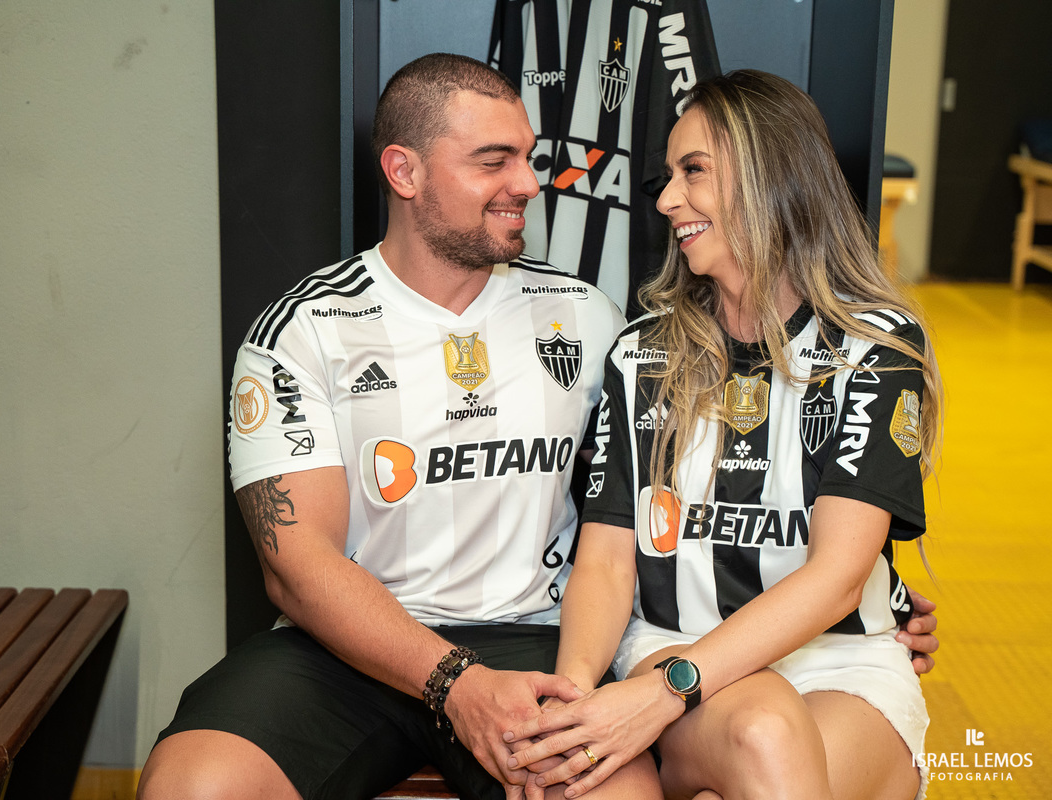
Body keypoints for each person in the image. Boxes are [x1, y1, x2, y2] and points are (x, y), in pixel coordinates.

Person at [139, 57, 939, 800]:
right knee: (191, 785)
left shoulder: (588, 320)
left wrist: (879, 592)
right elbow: (297, 567)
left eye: (528, 156)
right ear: (404, 171)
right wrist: (457, 680)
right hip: (349, 654)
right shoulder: (305, 329)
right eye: (494, 161)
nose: (530, 182)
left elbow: (738, 489)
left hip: (535, 643)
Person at [505, 69, 943, 800]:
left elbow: (837, 579)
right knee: (763, 731)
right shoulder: (641, 351)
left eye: (694, 171)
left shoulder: (875, 347)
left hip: (840, 665)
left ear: (772, 174)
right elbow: (608, 563)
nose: (668, 199)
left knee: (753, 760)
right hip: (669, 649)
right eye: (667, 177)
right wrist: (577, 695)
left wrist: (669, 694)